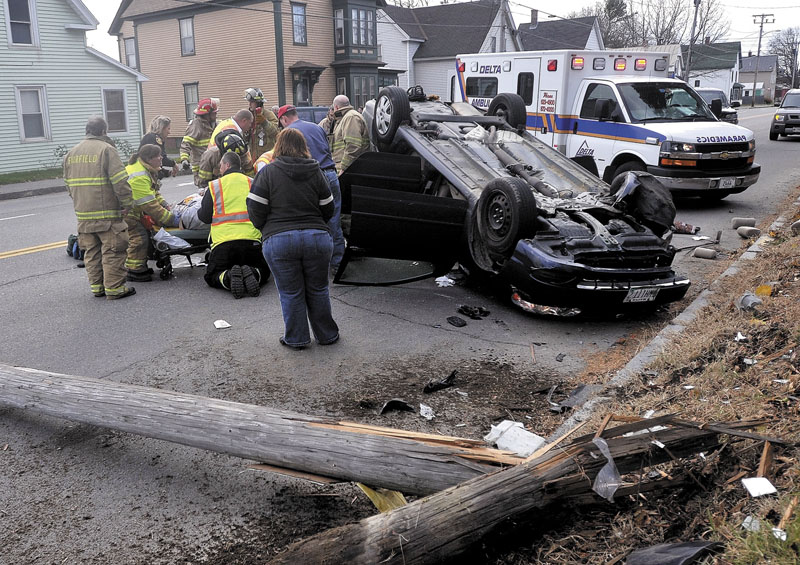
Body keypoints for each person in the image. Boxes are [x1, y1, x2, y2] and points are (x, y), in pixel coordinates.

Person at [247, 128, 339, 349]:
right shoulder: (316, 171)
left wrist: (267, 229)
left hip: (279, 239)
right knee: (318, 289)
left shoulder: (268, 172)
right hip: (316, 237)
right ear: (303, 147)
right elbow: (328, 208)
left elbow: (255, 209)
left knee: (291, 291)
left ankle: (297, 339)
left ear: (278, 146)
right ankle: (327, 335)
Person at [63, 116, 136, 300]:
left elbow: (68, 185)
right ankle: (114, 289)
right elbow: (120, 182)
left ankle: (97, 288)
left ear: (86, 131)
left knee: (91, 252)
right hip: (107, 213)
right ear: (104, 131)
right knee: (113, 250)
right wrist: (127, 204)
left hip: (83, 214)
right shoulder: (107, 150)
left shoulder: (71, 153)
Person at [276, 104, 344, 276]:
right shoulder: (316, 127)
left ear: (284, 119)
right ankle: (337, 264)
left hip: (312, 178)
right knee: (334, 221)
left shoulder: (288, 133)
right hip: (331, 174)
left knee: (311, 221)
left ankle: (315, 265)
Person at [197, 151, 270, 298]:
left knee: (212, 275)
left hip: (223, 244)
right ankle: (253, 273)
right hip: (252, 243)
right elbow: (264, 211)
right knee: (263, 269)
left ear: (227, 165)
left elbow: (204, 217)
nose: (220, 169)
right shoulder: (253, 182)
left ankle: (228, 277)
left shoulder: (214, 186)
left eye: (221, 166)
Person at [124, 144, 180, 281]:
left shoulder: (145, 169)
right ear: (149, 159)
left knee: (143, 237)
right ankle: (134, 271)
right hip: (127, 212)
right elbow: (150, 205)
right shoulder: (139, 176)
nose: (161, 158)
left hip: (132, 209)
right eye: (158, 156)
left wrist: (166, 205)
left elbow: (153, 194)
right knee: (139, 238)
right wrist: (171, 219)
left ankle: (138, 266)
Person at [329, 95, 370, 175]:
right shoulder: (343, 118)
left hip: (350, 170)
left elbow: (353, 146)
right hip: (346, 168)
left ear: (336, 107)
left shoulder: (351, 117)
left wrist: (344, 169)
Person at [180, 97, 219, 182]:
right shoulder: (196, 126)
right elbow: (186, 144)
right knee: (205, 190)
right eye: (214, 113)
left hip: (214, 165)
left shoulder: (215, 124)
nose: (216, 115)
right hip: (201, 166)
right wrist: (184, 160)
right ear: (207, 114)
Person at [209, 109, 255, 174]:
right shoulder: (232, 132)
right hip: (220, 165)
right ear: (244, 121)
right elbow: (240, 155)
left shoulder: (226, 123)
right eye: (250, 123)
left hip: (213, 162)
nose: (250, 126)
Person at [243, 88, 279, 159]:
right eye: (249, 102)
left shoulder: (269, 115)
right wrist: (246, 130)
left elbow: (276, 133)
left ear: (258, 102)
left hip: (267, 157)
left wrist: (264, 122)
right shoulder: (249, 116)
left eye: (252, 102)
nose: (249, 104)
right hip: (252, 157)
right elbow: (244, 139)